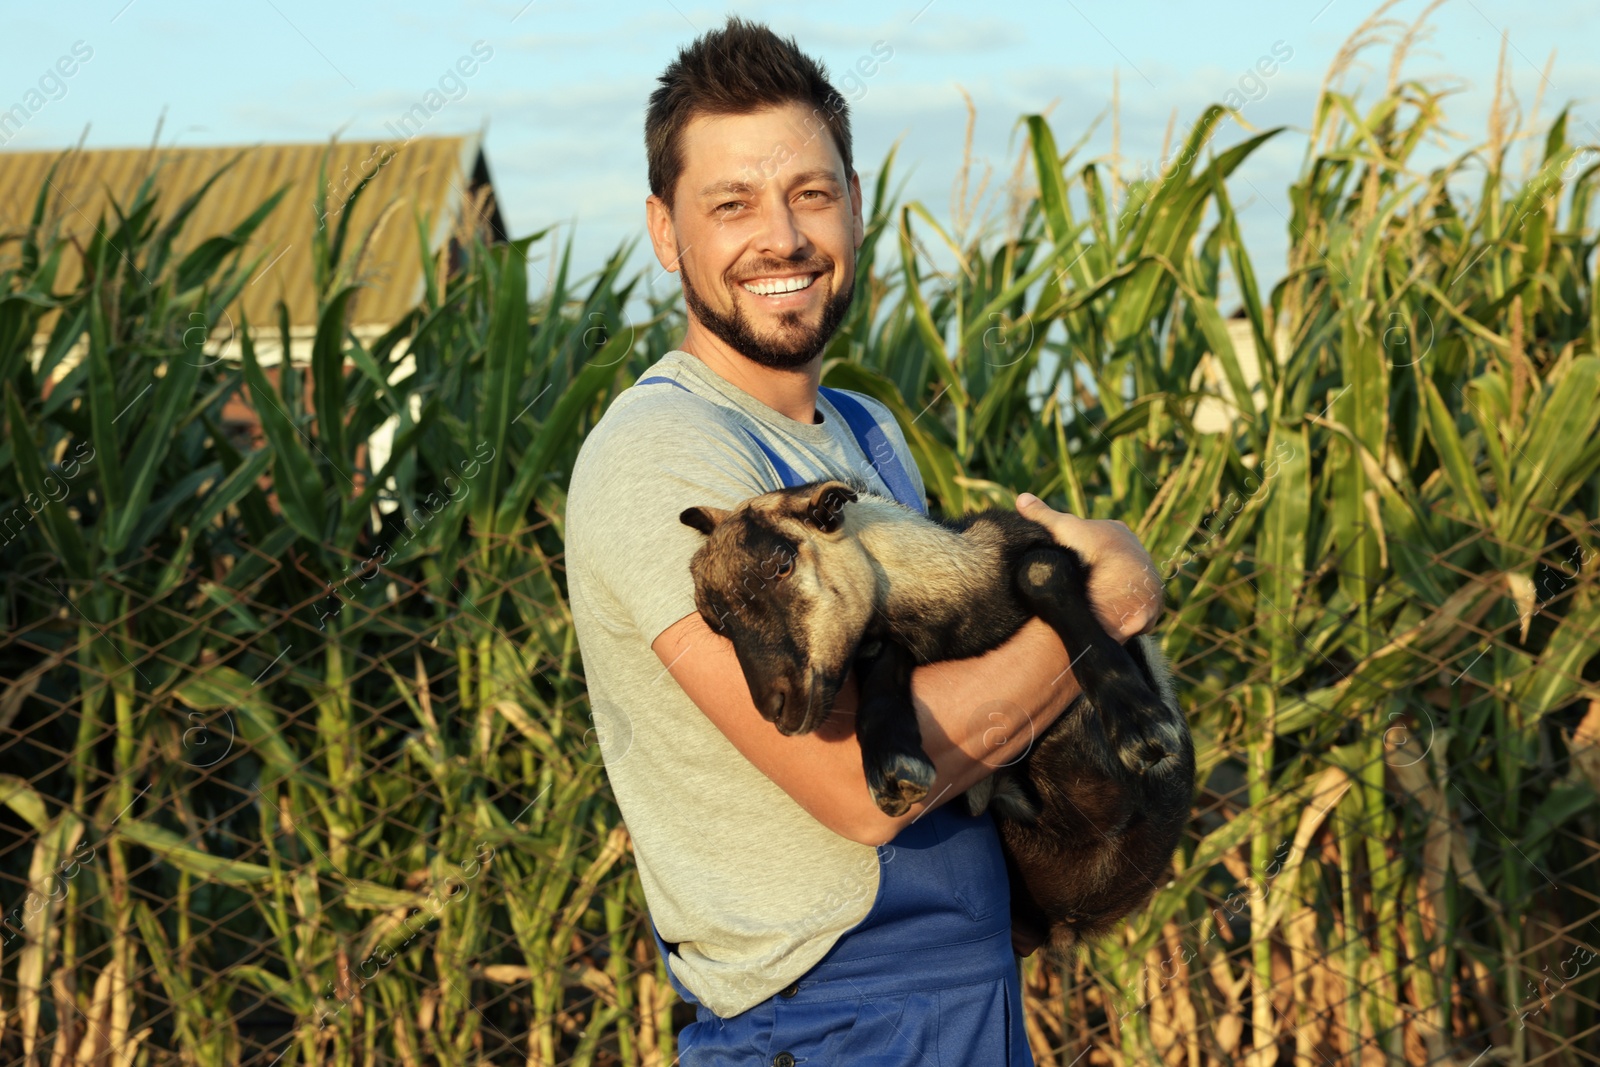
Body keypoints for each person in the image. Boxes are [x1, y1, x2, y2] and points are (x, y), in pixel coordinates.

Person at [564, 16, 1163, 1065]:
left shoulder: (861, 431)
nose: (783, 239)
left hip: (964, 986)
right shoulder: (664, 456)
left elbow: (957, 688)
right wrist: (1097, 612)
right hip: (832, 1018)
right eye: (731, 203)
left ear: (853, 202)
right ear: (666, 233)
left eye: (811, 193)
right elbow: (855, 783)